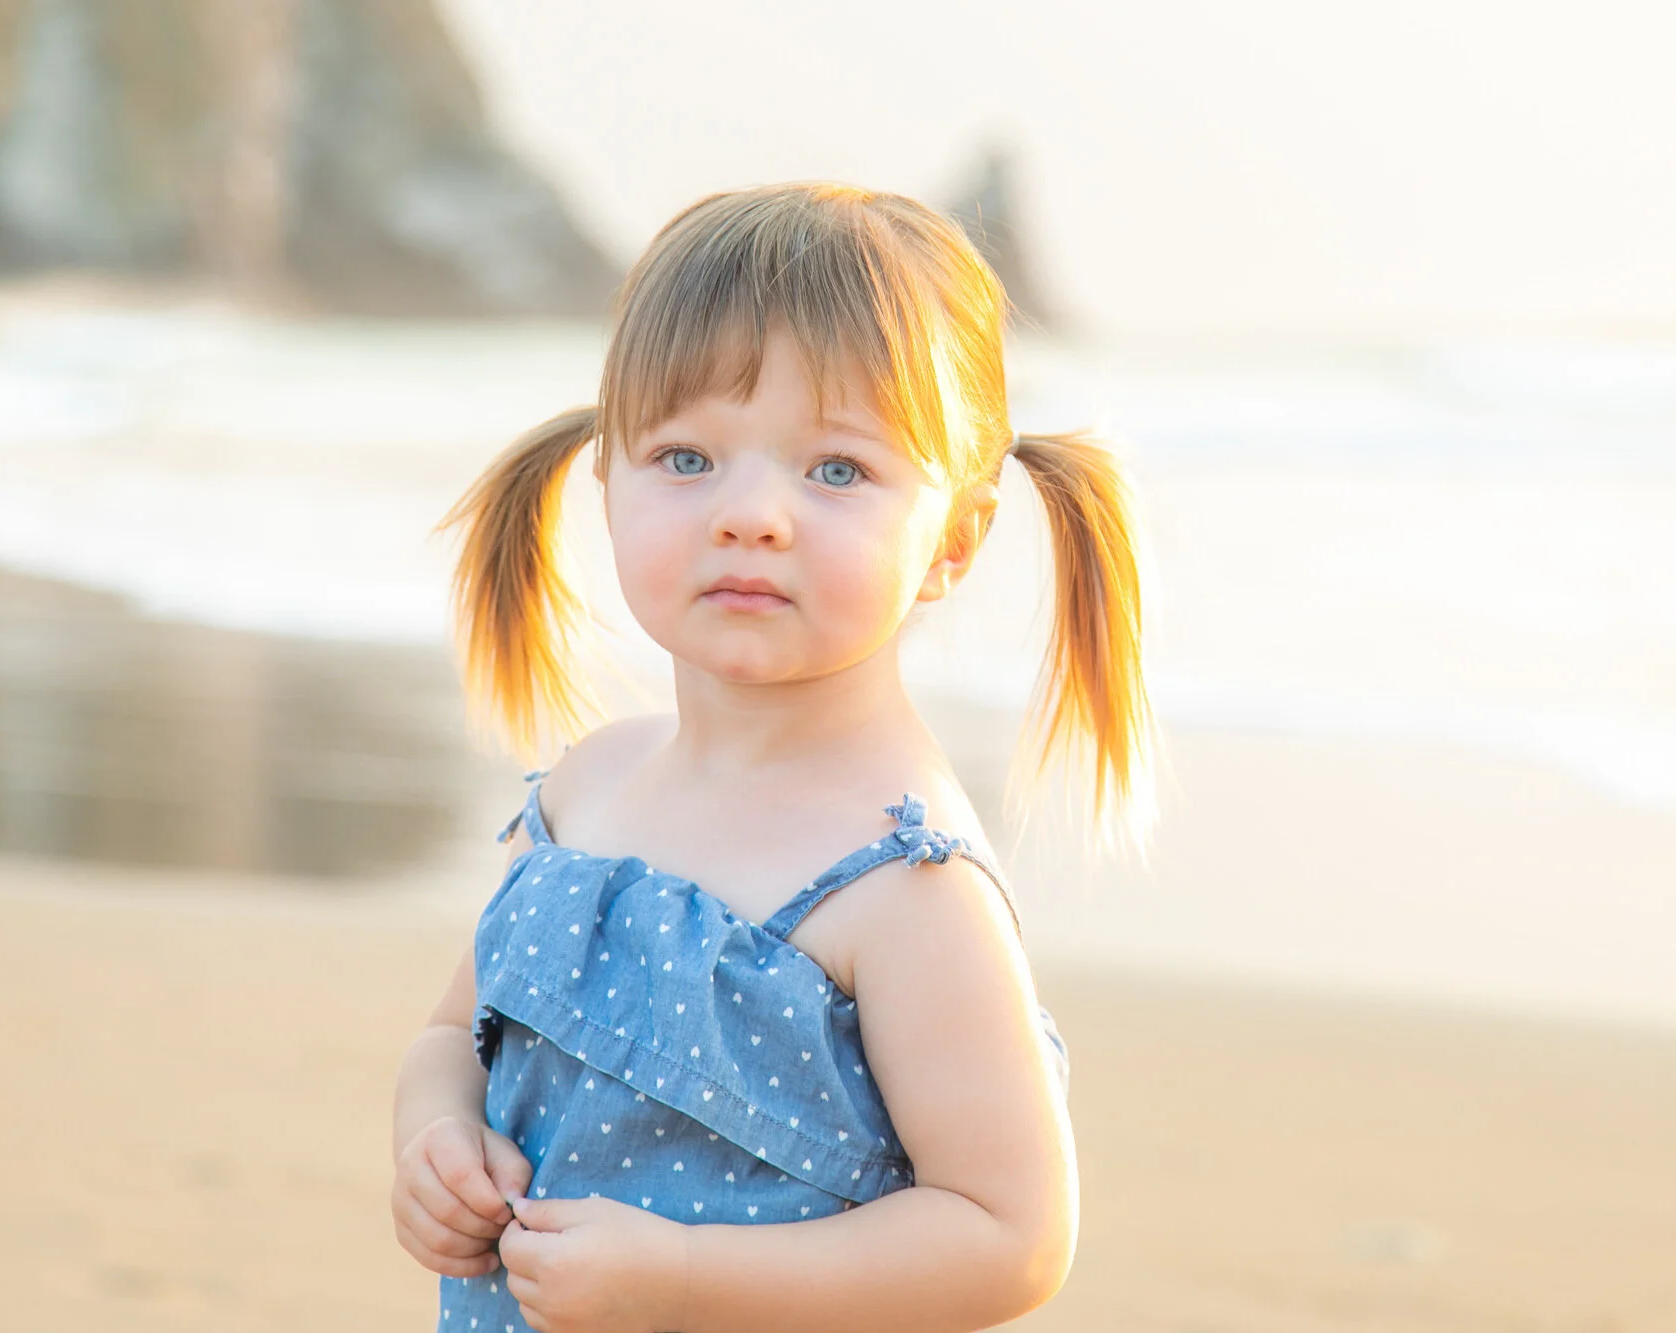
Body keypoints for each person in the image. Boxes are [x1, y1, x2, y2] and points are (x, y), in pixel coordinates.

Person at [391, 180, 1157, 1333]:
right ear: (607, 480)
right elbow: (457, 1035)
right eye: (686, 457)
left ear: (952, 537)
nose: (750, 514)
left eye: (835, 471)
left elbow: (1009, 1235)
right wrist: (435, 1136)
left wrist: (684, 1279)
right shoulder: (589, 789)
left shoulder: (902, 886)